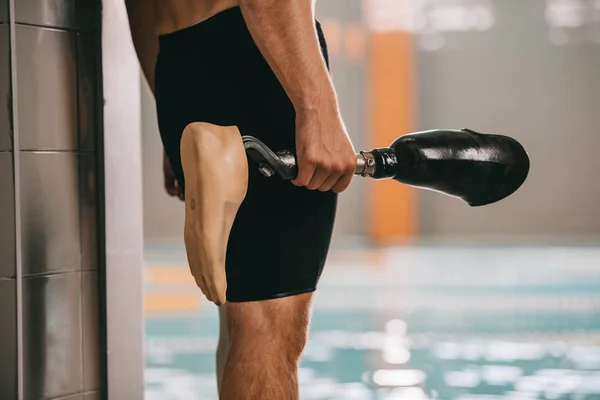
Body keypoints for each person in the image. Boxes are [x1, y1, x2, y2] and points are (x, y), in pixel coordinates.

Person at [125, 0, 356, 398]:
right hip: (257, 54)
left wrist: (172, 111)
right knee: (269, 328)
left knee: (241, 320)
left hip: (178, 59)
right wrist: (315, 107)